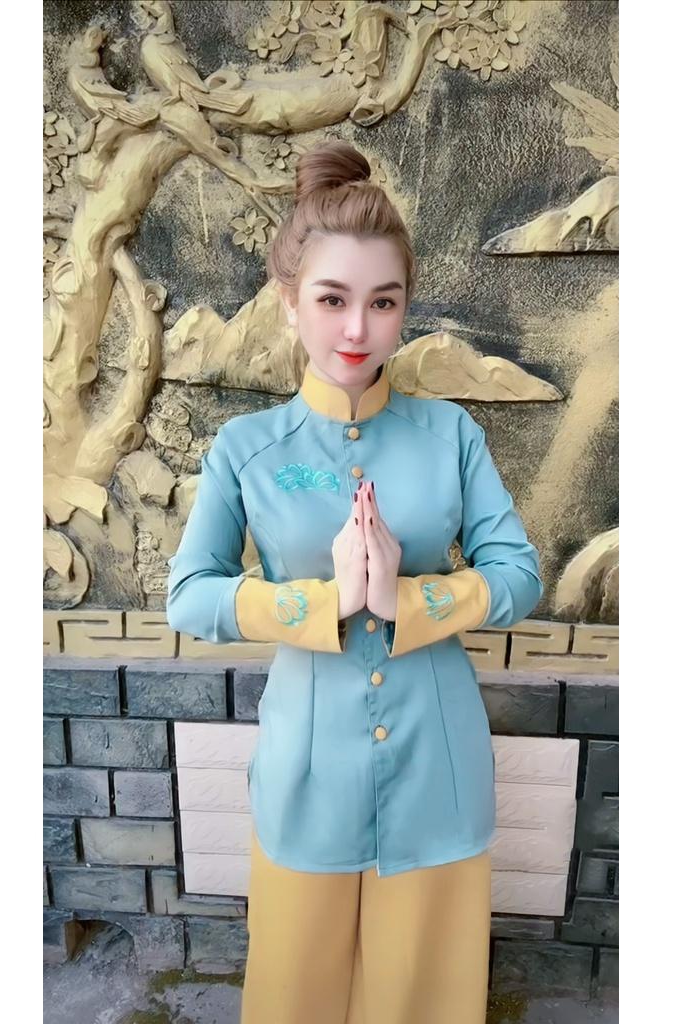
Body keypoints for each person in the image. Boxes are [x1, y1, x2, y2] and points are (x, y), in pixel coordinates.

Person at [165, 140, 544, 1024]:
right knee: (294, 996)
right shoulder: (247, 450)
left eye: (383, 302)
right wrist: (319, 603)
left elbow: (518, 574)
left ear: (404, 306)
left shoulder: (451, 436)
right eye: (332, 299)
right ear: (289, 298)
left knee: (422, 1000)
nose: (356, 330)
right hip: (307, 773)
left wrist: (406, 599)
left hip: (437, 769)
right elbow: (190, 594)